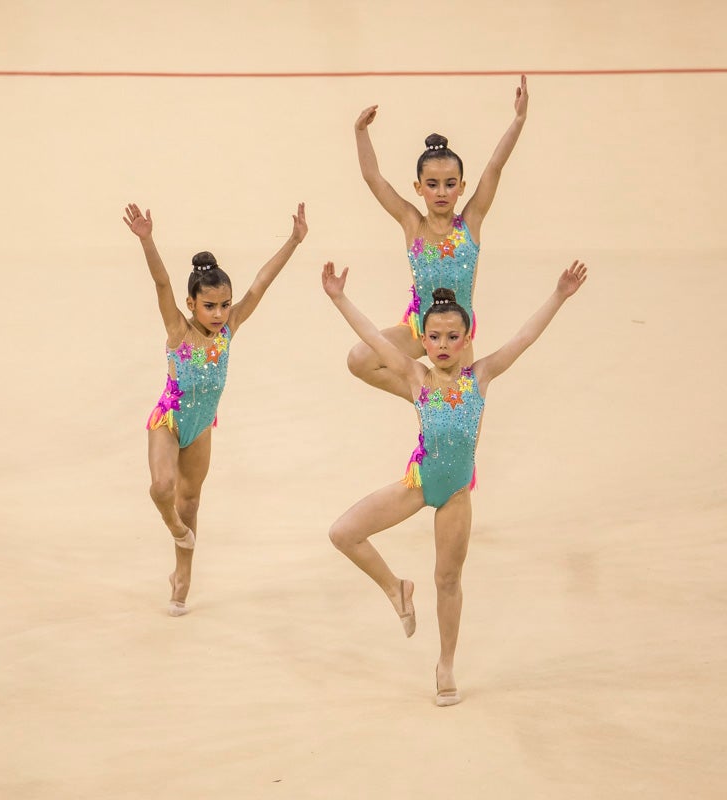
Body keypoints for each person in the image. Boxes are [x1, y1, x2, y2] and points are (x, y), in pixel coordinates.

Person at [319, 258, 587, 706]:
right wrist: (339, 297)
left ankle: (445, 664)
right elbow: (369, 339)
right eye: (435, 337)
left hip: (456, 494)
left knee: (447, 579)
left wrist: (558, 296)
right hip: (419, 484)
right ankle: (394, 586)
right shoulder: (415, 377)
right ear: (423, 340)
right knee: (343, 532)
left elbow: (523, 338)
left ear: (467, 339)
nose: (443, 345)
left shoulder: (480, 376)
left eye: (452, 337)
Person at [123, 202, 308, 616]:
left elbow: (261, 283)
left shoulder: (230, 327)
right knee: (161, 489)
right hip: (168, 420)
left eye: (225, 305)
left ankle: (182, 574)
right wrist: (147, 240)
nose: (220, 314)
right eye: (210, 306)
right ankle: (175, 530)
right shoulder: (178, 329)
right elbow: (161, 284)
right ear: (192, 304)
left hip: (202, 426)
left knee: (191, 503)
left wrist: (294, 241)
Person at [348, 75, 529, 394]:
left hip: (458, 331)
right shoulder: (411, 222)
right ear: (418, 188)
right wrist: (361, 132)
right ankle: (423, 398)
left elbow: (494, 168)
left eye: (449, 184)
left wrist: (519, 119)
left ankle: (436, 402)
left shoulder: (470, 221)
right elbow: (374, 178)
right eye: (432, 184)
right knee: (359, 359)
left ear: (462, 186)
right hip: (418, 327)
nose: (441, 191)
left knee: (460, 401)